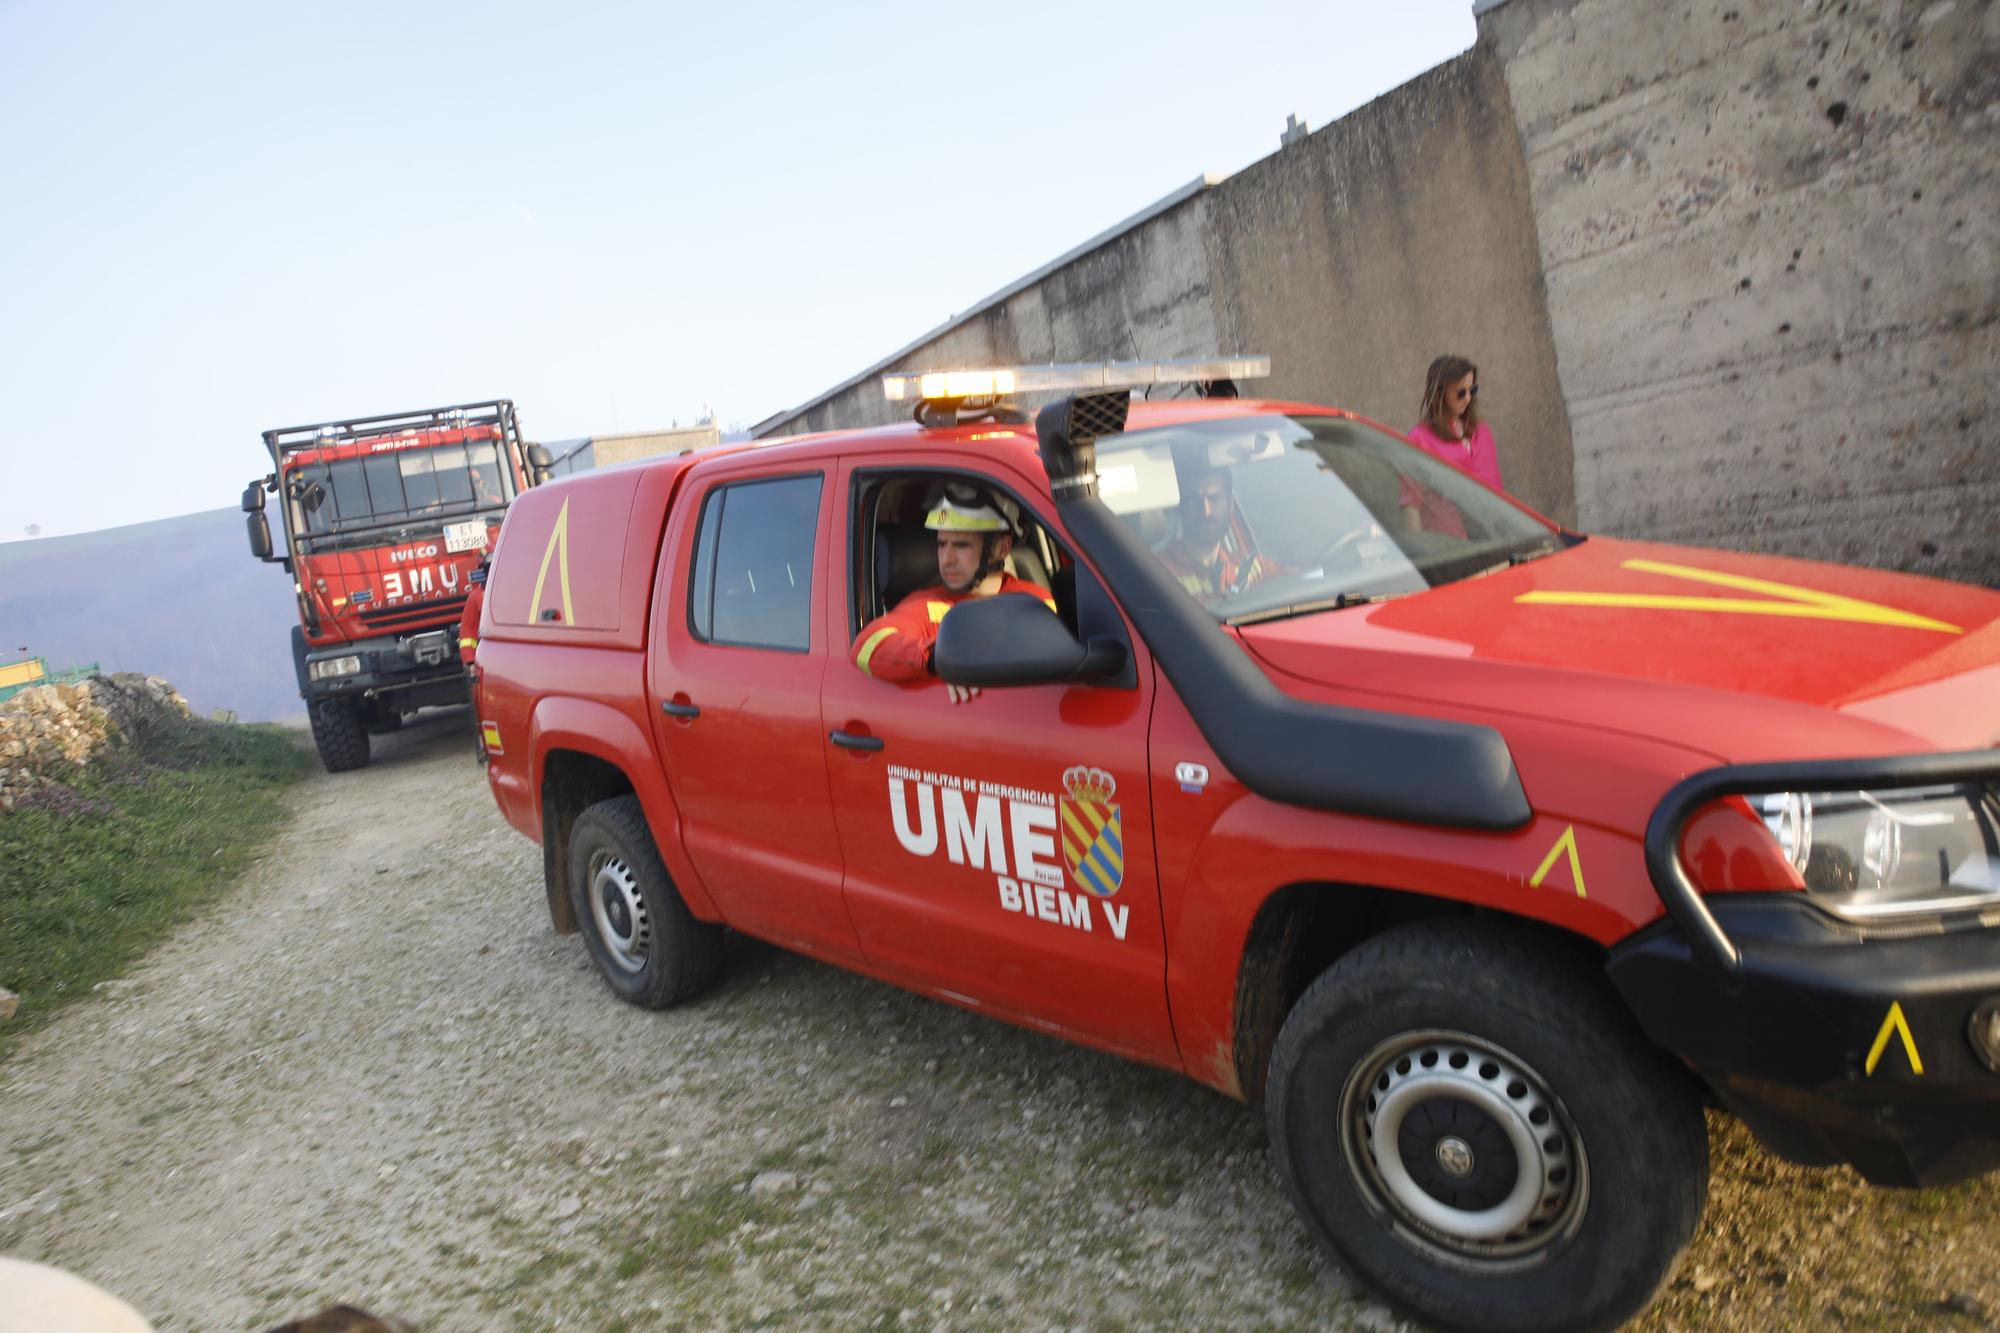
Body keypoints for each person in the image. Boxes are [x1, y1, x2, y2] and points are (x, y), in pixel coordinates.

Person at [850, 482, 1055, 703]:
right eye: (941, 544)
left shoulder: (1035, 600)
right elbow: (866, 647)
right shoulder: (928, 606)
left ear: (1002, 548)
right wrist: (941, 658)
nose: (946, 559)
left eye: (961, 545)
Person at [1156, 466, 1283, 600]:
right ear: (1180, 508)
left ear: (1230, 505)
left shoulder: (1252, 568)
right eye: (1194, 501)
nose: (1207, 511)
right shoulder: (1161, 575)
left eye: (1214, 498)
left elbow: (1301, 584)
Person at [1408, 355, 1502, 490]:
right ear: (1440, 393)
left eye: (1472, 390)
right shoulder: (1419, 438)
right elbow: (1411, 497)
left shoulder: (1482, 430)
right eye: (1461, 392)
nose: (1468, 398)